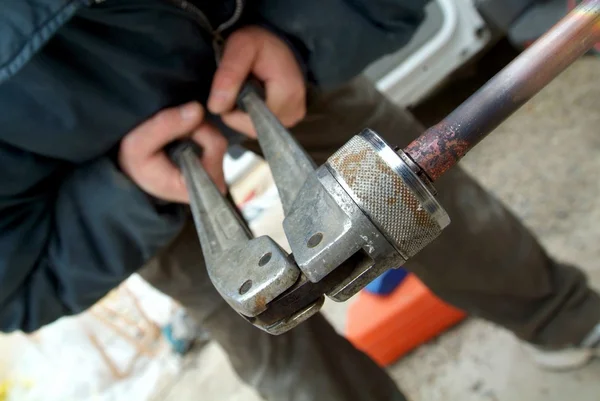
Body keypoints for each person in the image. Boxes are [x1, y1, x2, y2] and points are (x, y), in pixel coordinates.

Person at [1, 1, 598, 400]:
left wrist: (302, 33)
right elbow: (11, 285)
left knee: (412, 201)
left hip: (266, 50)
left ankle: (567, 320)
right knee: (267, 326)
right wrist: (120, 198)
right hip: (95, 184)